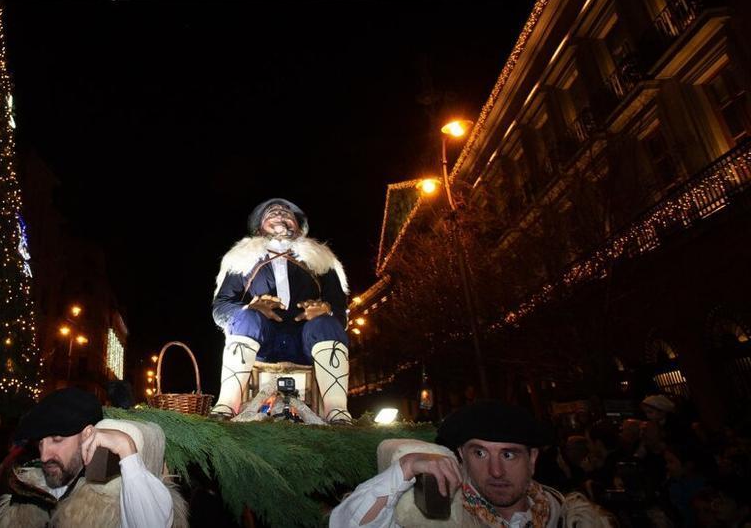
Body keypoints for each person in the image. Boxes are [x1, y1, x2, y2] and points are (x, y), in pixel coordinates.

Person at [330, 400, 612, 527]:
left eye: (508, 454)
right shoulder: (437, 517)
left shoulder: (567, 516)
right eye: (480, 454)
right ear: (461, 457)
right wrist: (405, 467)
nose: (496, 471)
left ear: (533, 459)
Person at [211, 198, 352, 423]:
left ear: (298, 227)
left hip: (307, 342)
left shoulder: (321, 261)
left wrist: (325, 309)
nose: (280, 214)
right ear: (259, 228)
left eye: (287, 214)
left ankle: (337, 411)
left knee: (326, 322)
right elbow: (221, 306)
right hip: (261, 344)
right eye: (272, 213)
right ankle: (226, 405)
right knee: (246, 316)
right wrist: (250, 307)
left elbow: (339, 306)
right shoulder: (241, 261)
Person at [0, 387, 186, 528]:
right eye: (40, 443)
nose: (44, 455)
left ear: (87, 435)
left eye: (57, 440)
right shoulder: (25, 491)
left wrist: (126, 448)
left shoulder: (112, 496)